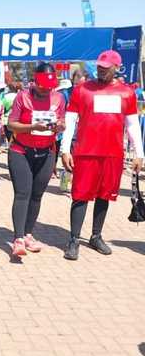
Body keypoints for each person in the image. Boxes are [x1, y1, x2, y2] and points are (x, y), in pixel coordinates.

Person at [60, 50, 143, 260]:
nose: (101, 70)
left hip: (112, 154)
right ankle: (73, 239)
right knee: (80, 196)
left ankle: (96, 236)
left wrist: (139, 154)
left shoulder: (127, 93)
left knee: (104, 196)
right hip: (86, 152)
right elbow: (70, 121)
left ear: (116, 67)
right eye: (99, 67)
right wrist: (65, 148)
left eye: (106, 68)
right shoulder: (82, 90)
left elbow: (132, 125)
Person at [5, 62, 67, 258]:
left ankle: (28, 234)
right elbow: (11, 124)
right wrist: (32, 127)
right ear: (35, 80)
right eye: (42, 85)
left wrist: (60, 126)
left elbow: (62, 121)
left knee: (37, 195)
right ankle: (18, 239)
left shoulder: (58, 97)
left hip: (47, 151)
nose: (46, 89)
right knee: (23, 193)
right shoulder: (23, 96)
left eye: (49, 85)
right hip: (21, 151)